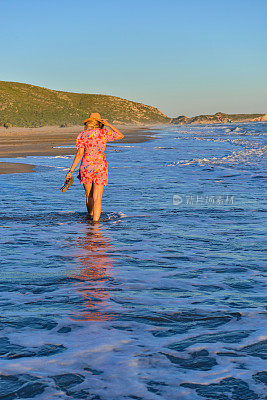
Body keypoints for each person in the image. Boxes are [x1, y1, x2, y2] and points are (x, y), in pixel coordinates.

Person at [65, 112, 124, 222]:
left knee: (89, 196)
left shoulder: (82, 134)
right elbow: (120, 135)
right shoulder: (104, 133)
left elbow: (79, 154)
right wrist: (109, 125)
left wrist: (71, 171)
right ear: (100, 123)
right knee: (97, 198)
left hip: (86, 166)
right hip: (100, 167)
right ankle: (95, 224)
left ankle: (90, 216)